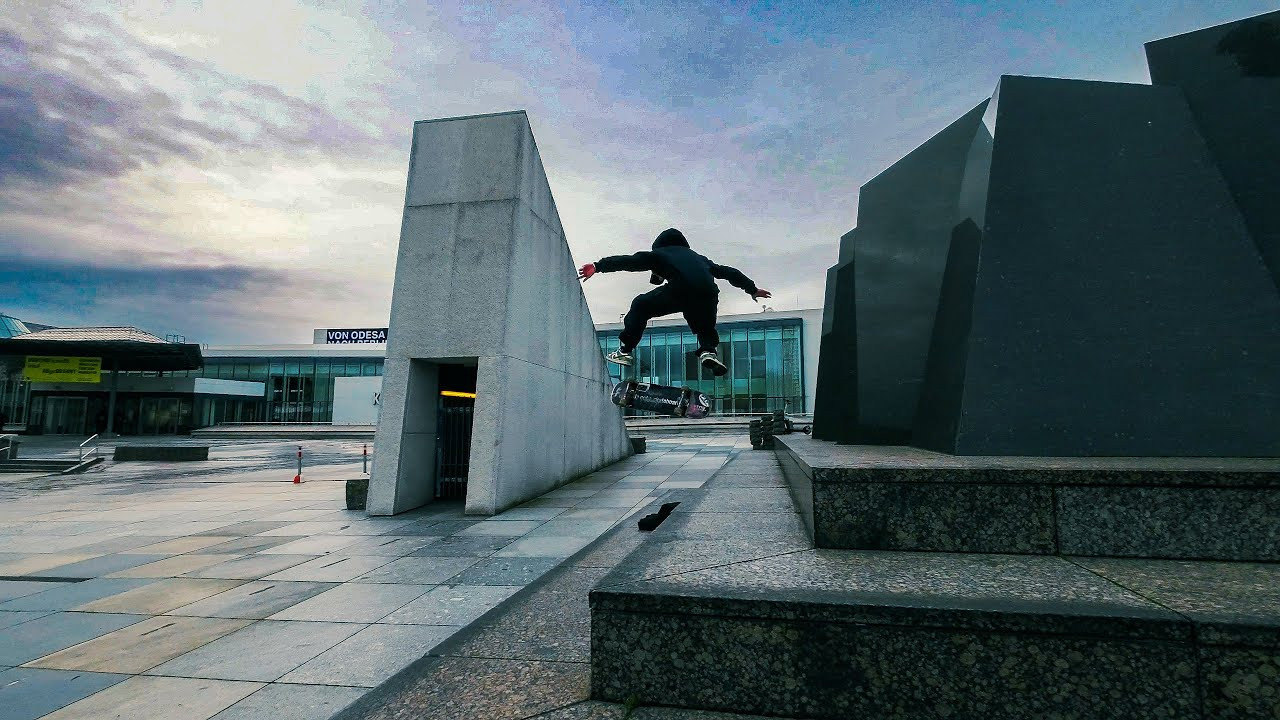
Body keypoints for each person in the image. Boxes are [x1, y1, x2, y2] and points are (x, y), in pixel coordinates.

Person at [578, 228, 771, 376]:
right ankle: (708, 351)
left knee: (641, 304)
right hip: (708, 293)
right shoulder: (700, 258)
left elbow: (631, 261)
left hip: (681, 289)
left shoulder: (659, 255)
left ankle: (625, 350)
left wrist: (598, 266)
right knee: (704, 326)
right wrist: (752, 289)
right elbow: (729, 272)